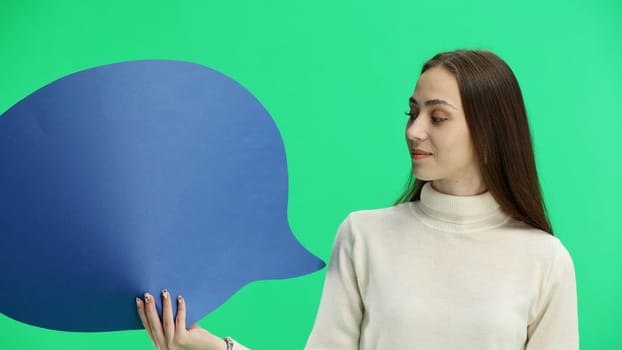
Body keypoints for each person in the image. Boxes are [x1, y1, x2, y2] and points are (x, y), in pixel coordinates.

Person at [135, 49, 579, 350]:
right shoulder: (365, 235)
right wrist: (211, 347)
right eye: (412, 112)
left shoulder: (544, 259)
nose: (414, 131)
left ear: (490, 131)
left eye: (437, 117)